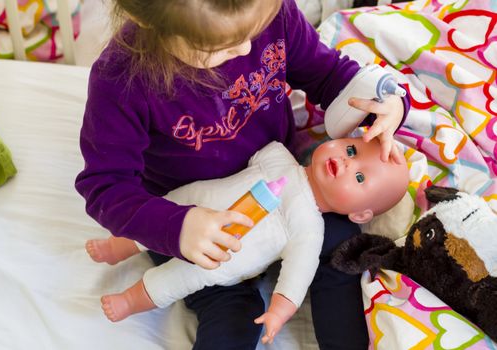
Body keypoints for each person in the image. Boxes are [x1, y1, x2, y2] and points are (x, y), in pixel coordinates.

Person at [75, 0, 411, 348]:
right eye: (221, 47)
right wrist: (177, 226)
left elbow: (331, 77)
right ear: (152, 24)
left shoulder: (268, 11)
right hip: (192, 220)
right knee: (231, 309)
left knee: (344, 246)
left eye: (255, 30)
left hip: (286, 189)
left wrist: (388, 104)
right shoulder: (122, 79)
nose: (247, 48)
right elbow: (105, 187)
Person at [86, 137, 410, 344]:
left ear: (360, 215)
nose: (347, 161)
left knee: (176, 279)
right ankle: (118, 247)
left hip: (218, 260)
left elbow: (296, 276)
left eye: (359, 177)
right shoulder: (278, 153)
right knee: (159, 216)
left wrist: (279, 312)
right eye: (351, 149)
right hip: (190, 209)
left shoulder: (310, 229)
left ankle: (130, 300)